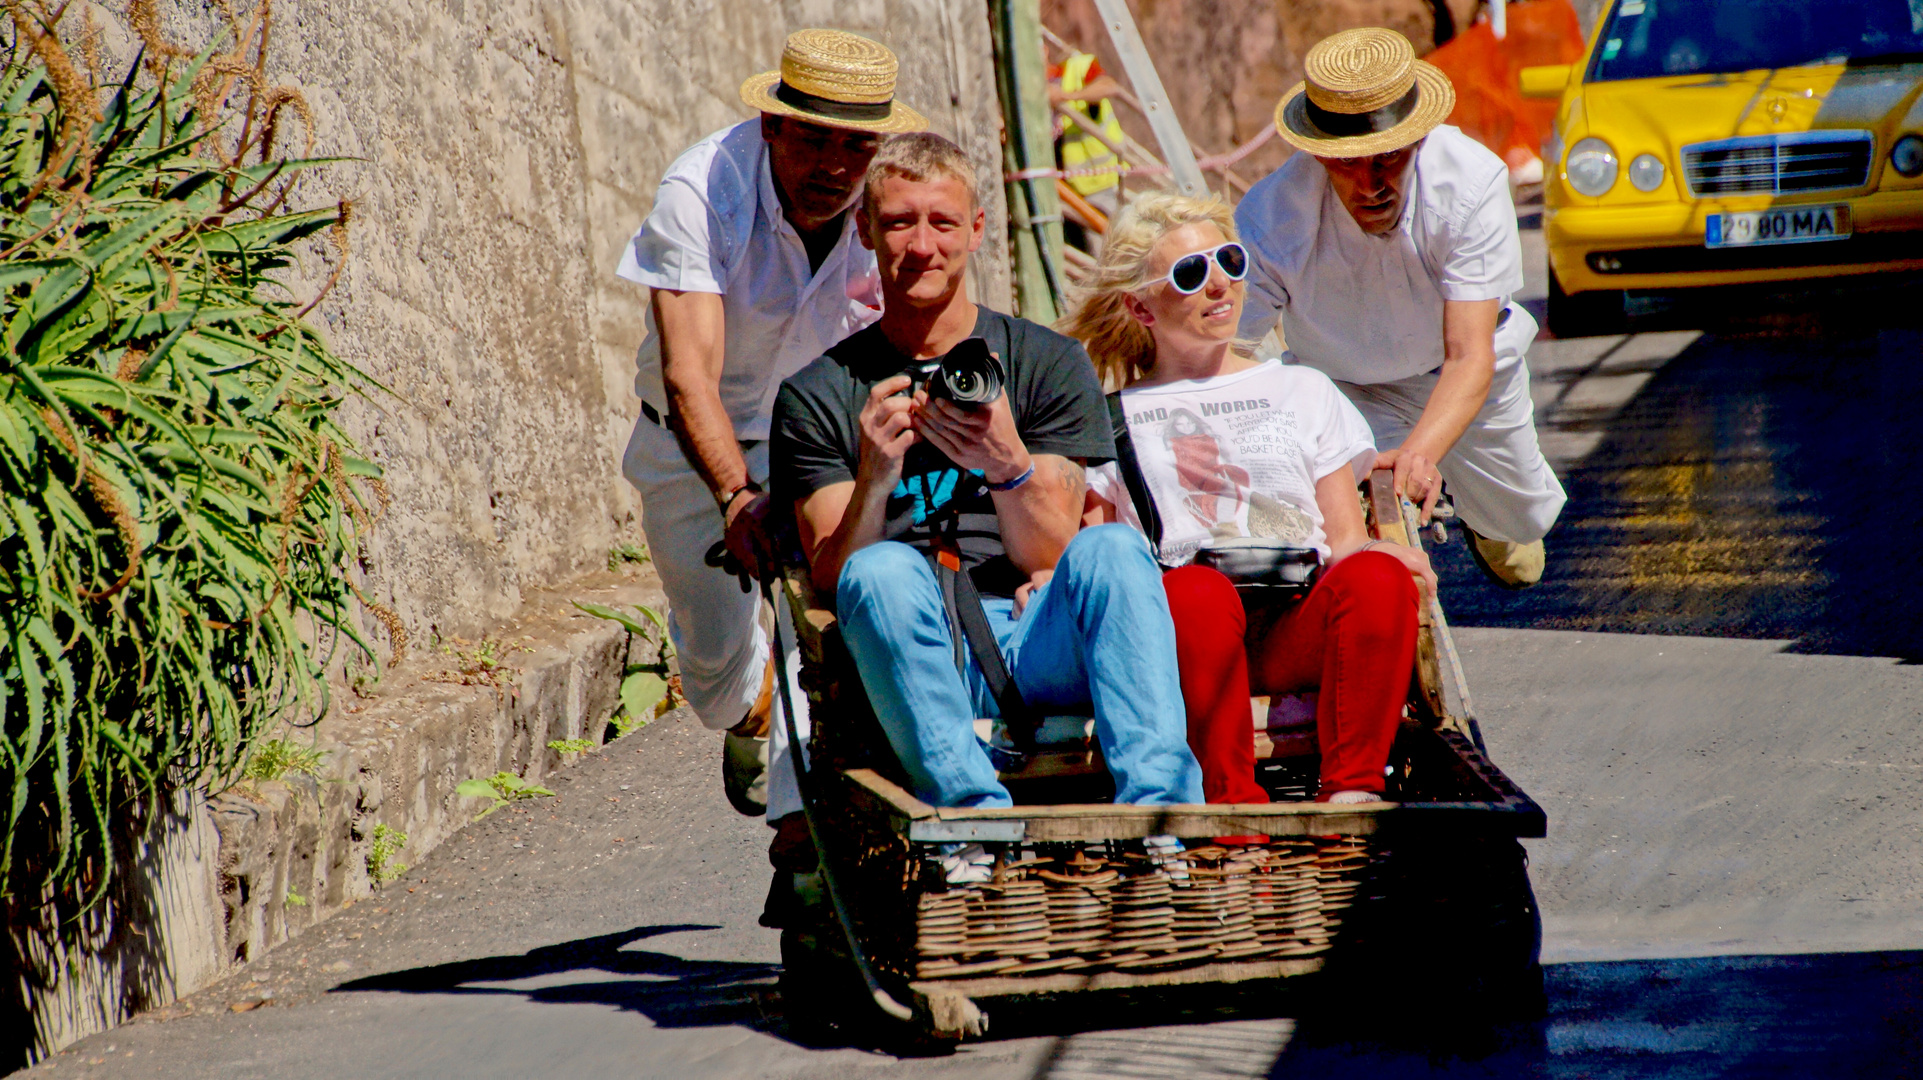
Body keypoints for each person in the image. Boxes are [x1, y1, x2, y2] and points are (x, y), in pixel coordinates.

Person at [772, 133, 1203, 866]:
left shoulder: (1044, 362)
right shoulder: (820, 393)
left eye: (942, 222)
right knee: (876, 571)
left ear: (975, 230)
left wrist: (1005, 462)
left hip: (1034, 635)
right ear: (864, 231)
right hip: (910, 645)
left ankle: (1157, 815)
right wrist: (876, 472)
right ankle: (971, 821)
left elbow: (1053, 554)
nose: (920, 245)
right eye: (899, 222)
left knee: (1114, 549)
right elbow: (829, 577)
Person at [613, 30, 923, 871]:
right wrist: (736, 497)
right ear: (772, 125)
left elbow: (918, 326)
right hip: (694, 445)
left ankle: (802, 836)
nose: (833, 163)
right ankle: (746, 711)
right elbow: (689, 378)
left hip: (818, 433)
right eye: (813, 137)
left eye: (855, 144)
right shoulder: (702, 192)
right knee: (715, 672)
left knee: (819, 621)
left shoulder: (889, 204)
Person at [1061, 192, 1433, 805]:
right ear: (1140, 307)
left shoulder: (1301, 388)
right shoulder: (1111, 418)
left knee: (1375, 577)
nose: (1219, 285)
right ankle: (1232, 813)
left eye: (1229, 261)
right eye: (1190, 273)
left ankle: (1352, 799)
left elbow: (1343, 540)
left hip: (1295, 618)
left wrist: (1380, 557)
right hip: (1188, 632)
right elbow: (1099, 552)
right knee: (1196, 594)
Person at [1234, 27, 1566, 589]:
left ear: (1418, 137)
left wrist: (1418, 456)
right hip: (1347, 387)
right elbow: (1228, 353)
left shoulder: (1469, 184)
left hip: (1459, 373)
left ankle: (1488, 521)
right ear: (1318, 153)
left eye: (1387, 157)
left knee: (1522, 524)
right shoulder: (1271, 219)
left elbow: (1469, 356)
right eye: (1348, 164)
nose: (1371, 185)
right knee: (1361, 514)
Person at [1046, 38, 1125, 250]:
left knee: (1107, 252)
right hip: (1060, 191)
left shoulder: (1076, 69)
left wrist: (1066, 97)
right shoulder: (1021, 91)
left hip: (1097, 186)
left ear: (1044, 51)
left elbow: (1108, 86)